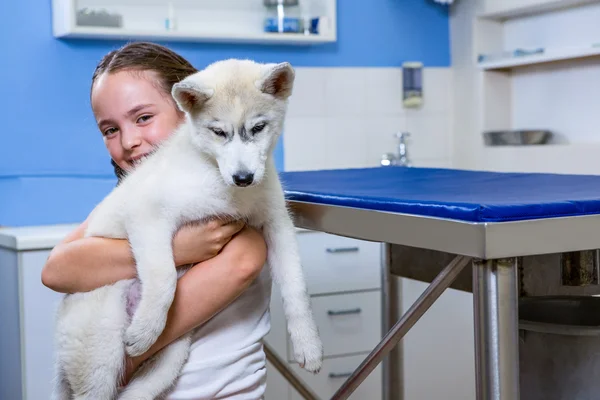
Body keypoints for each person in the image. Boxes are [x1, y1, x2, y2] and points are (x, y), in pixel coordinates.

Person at [41, 42, 272, 399]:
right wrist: (178, 249)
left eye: (143, 117)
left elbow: (129, 357)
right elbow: (56, 269)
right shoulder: (137, 200)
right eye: (109, 130)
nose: (129, 141)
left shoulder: (234, 211)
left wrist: (98, 370)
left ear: (191, 109)